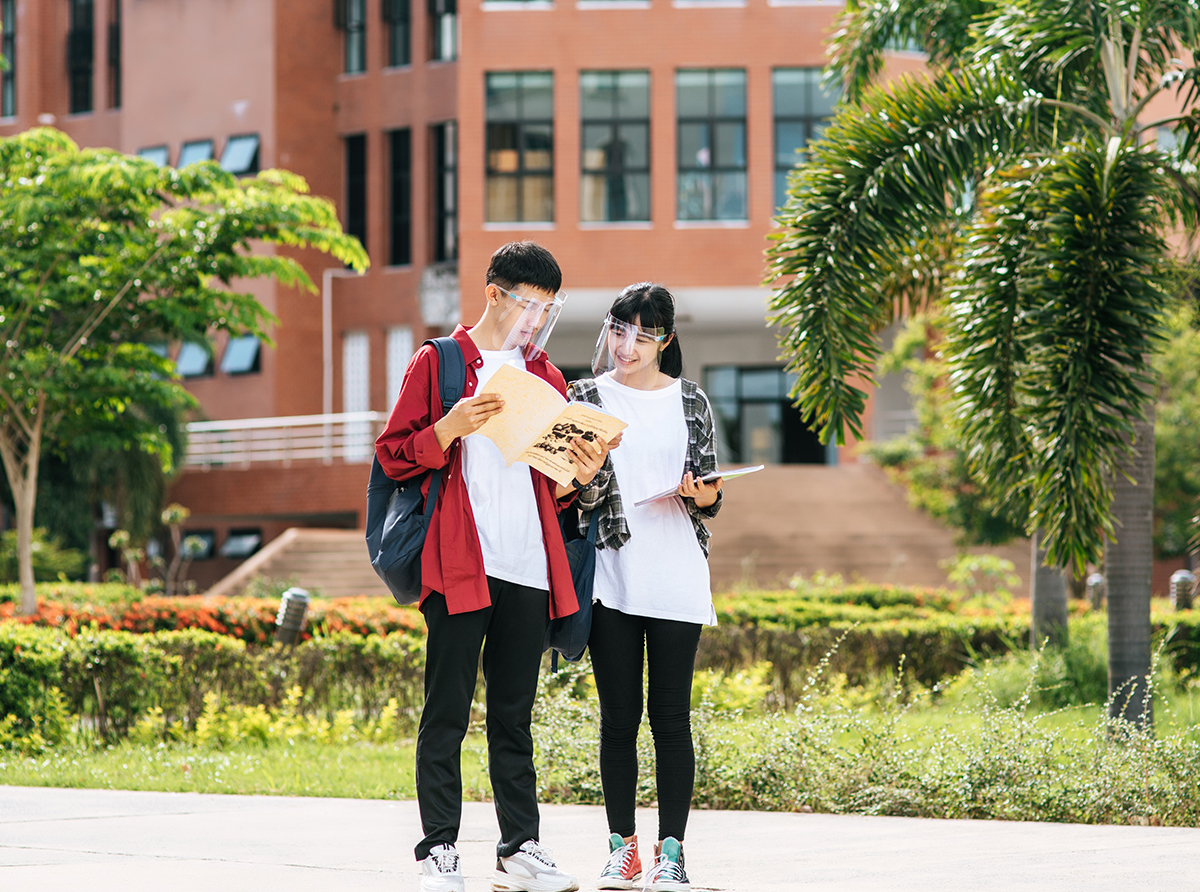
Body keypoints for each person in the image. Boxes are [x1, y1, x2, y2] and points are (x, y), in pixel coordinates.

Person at [375, 241, 613, 892]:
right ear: (494, 294)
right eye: (529, 305)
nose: (536, 320)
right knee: (446, 710)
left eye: (548, 309)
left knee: (514, 714)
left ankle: (519, 849)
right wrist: (448, 428)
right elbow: (395, 455)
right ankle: (438, 850)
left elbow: (554, 489)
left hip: (529, 565)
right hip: (460, 559)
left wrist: (580, 476)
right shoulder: (441, 363)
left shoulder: (549, 379)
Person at [566, 283, 723, 892]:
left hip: (677, 573)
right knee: (618, 718)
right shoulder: (584, 397)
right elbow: (573, 495)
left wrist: (699, 492)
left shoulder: (691, 402)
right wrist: (587, 471)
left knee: (671, 717)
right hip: (613, 575)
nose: (626, 345)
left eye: (642, 334)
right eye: (618, 329)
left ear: (666, 340)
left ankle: (672, 855)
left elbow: (711, 495)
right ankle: (622, 848)